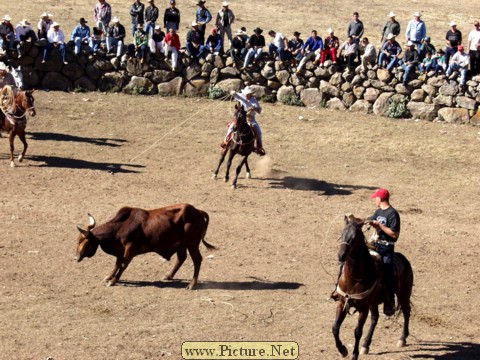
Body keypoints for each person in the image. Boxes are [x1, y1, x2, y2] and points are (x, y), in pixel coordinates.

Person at [331, 188, 400, 316]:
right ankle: (338, 289)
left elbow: (395, 234)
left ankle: (389, 301)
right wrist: (353, 219)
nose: (375, 200)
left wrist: (380, 226)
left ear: (381, 199)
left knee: (388, 270)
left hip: (386, 248)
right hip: (375, 245)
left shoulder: (392, 214)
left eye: (376, 198)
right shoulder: (378, 211)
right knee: (349, 261)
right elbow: (365, 220)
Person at [225, 86, 265, 155]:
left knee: (258, 132)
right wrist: (233, 92)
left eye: (248, 94)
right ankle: (226, 142)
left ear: (250, 94)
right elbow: (235, 94)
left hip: (251, 119)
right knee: (231, 127)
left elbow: (259, 111)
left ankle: (259, 147)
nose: (247, 96)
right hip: (240, 118)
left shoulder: (254, 101)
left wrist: (254, 108)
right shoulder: (241, 96)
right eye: (246, 94)